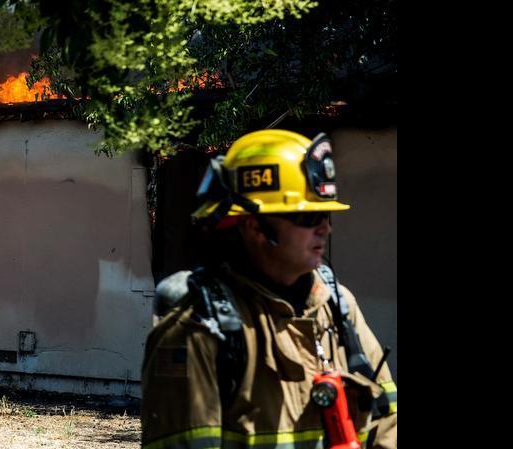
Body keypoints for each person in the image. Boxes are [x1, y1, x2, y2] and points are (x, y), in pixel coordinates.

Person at [140, 129, 396, 449]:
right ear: (255, 227)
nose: (325, 228)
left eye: (326, 214)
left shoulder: (338, 306)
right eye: (308, 216)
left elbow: (388, 425)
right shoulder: (197, 331)